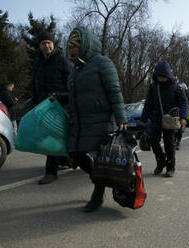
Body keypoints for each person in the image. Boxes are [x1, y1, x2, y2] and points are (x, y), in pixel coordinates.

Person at [67, 28, 127, 212]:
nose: (71, 50)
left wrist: (121, 118)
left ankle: (97, 195)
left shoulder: (103, 63)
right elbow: (75, 94)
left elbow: (114, 92)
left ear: (85, 45)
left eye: (75, 46)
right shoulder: (76, 69)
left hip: (101, 121)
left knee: (101, 160)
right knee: (75, 154)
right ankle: (105, 180)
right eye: (70, 46)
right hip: (81, 122)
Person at [32, 31, 73, 184]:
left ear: (53, 44)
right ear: (39, 46)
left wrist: (59, 96)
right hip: (43, 107)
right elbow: (34, 87)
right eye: (43, 43)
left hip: (61, 106)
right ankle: (66, 159)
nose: (46, 45)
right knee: (51, 137)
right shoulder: (37, 64)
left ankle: (51, 172)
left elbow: (72, 86)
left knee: (52, 136)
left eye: (49, 42)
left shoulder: (63, 61)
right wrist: (34, 107)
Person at [141, 62, 189, 177]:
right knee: (153, 141)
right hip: (156, 118)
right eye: (159, 76)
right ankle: (161, 161)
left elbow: (184, 103)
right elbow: (148, 103)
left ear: (168, 75)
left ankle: (170, 167)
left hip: (170, 119)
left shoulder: (177, 87)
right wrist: (144, 118)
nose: (161, 78)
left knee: (169, 144)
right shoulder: (153, 87)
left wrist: (184, 117)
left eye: (163, 76)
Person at [174, 76, 189, 150]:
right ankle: (174, 141)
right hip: (172, 110)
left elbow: (187, 98)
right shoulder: (167, 86)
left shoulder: (182, 86)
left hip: (180, 109)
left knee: (179, 127)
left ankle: (178, 141)